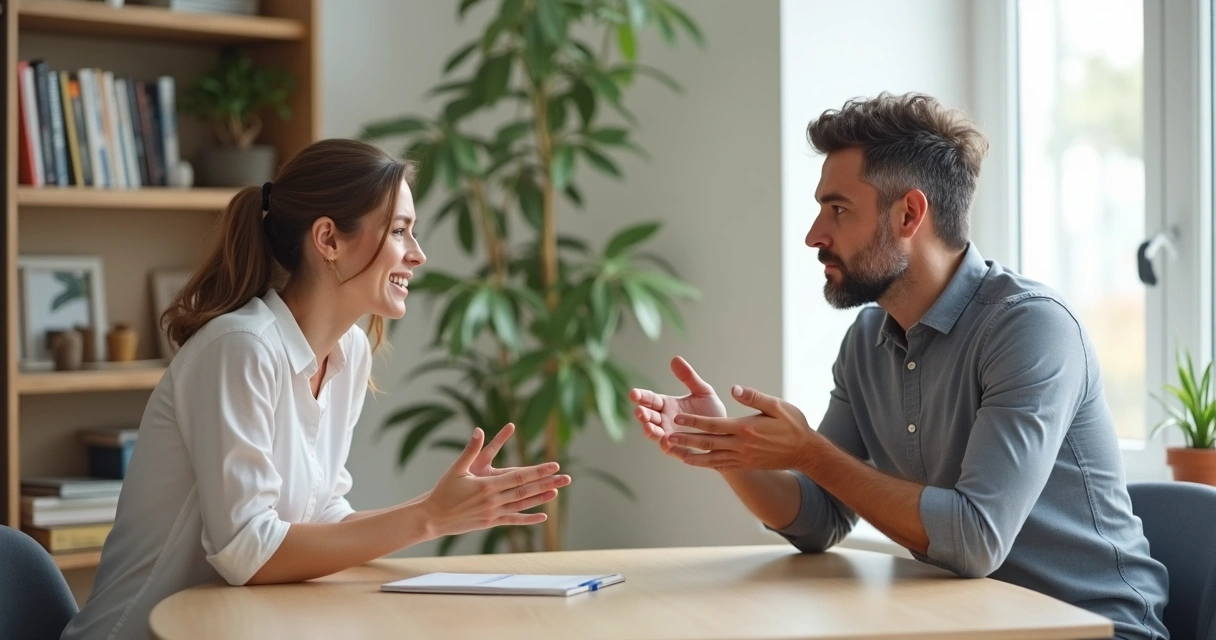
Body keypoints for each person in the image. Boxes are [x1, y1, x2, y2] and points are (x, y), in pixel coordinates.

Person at [630, 93, 1169, 639]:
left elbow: (974, 539)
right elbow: (820, 518)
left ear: (909, 213)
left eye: (838, 210)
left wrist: (810, 453)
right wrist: (728, 449)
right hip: (966, 625)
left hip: (1097, 629)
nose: (814, 235)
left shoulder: (1030, 329)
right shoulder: (867, 341)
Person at [61, 139, 570, 640]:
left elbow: (322, 516)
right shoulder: (240, 348)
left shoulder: (350, 353)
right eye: (399, 231)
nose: (417, 255)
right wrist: (428, 517)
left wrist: (443, 510)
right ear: (328, 239)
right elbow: (247, 551)